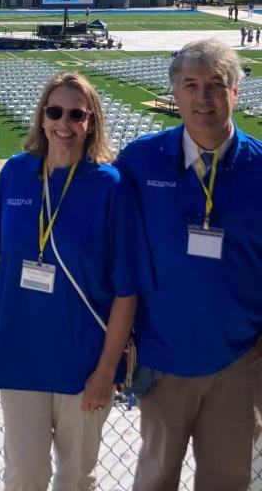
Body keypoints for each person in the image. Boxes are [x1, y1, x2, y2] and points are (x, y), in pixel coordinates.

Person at [0, 72, 152, 491]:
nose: (65, 122)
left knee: (76, 477)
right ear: (42, 118)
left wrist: (105, 369)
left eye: (76, 114)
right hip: (23, 352)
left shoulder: (110, 186)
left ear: (91, 122)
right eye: (55, 111)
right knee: (24, 475)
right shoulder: (17, 172)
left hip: (84, 361)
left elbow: (126, 288)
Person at [116, 40, 262, 491]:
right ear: (174, 95)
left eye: (217, 85)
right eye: (191, 86)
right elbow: (107, 240)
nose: (204, 98)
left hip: (239, 360)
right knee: (155, 478)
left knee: (229, 480)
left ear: (236, 93)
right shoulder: (139, 160)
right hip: (163, 358)